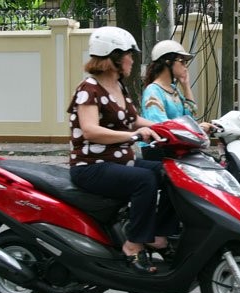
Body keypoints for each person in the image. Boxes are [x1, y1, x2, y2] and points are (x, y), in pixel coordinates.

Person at [67, 26, 177, 274]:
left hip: (120, 163)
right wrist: (132, 136)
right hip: (91, 166)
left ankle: (158, 233)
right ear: (113, 56)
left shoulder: (119, 87)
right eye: (129, 54)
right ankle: (133, 243)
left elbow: (135, 119)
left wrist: (175, 127)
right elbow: (90, 130)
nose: (132, 59)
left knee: (173, 173)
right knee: (145, 180)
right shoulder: (89, 89)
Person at [140, 39, 213, 160]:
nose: (185, 66)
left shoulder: (174, 89)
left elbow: (190, 117)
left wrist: (186, 85)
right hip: (158, 149)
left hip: (176, 146)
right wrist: (195, 129)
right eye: (182, 61)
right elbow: (161, 126)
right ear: (168, 62)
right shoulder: (153, 91)